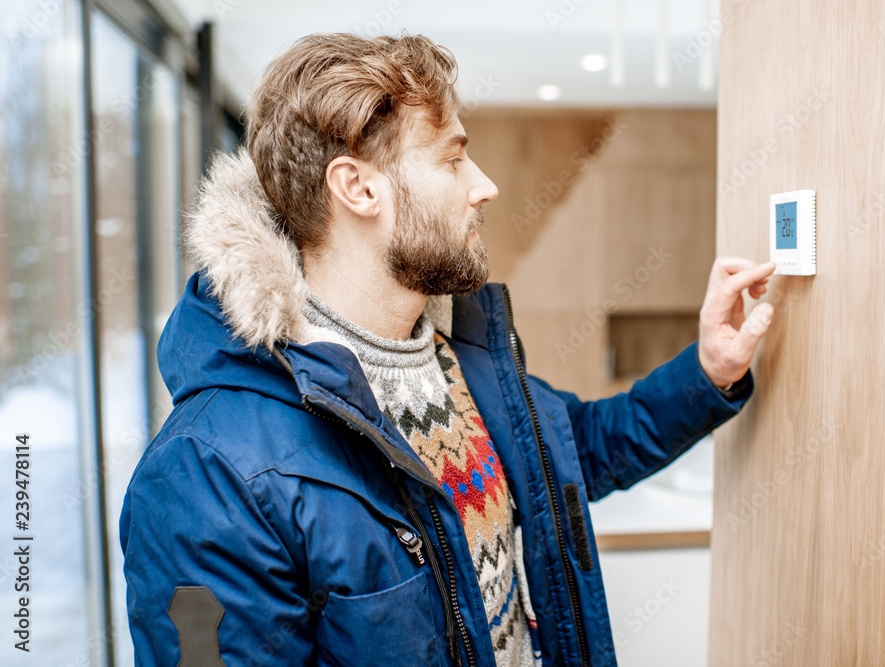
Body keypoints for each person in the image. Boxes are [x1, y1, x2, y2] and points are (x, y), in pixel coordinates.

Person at [119, 32, 776, 667]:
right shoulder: (205, 475)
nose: (483, 185)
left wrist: (709, 370)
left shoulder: (461, 355)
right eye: (453, 158)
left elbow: (580, 447)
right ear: (358, 188)